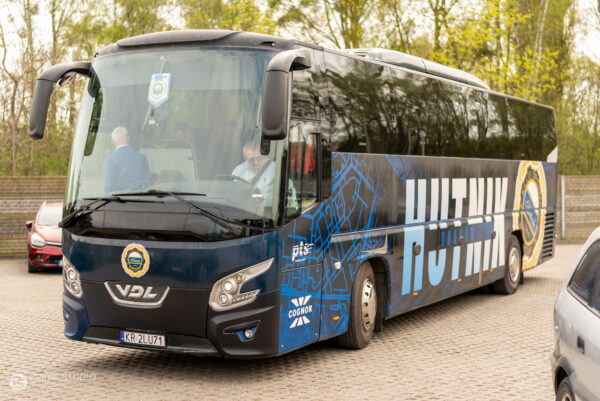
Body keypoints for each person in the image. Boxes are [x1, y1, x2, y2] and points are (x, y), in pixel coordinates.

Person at [104, 126, 153, 194]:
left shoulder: (111, 159)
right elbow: (149, 181)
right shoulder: (142, 157)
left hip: (120, 198)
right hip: (141, 197)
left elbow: (109, 186)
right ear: (128, 138)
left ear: (113, 141)